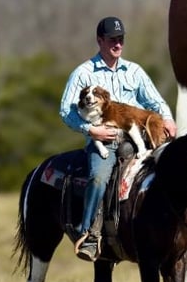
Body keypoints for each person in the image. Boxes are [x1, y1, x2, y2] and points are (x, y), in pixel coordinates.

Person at [59, 16, 177, 261]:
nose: (117, 43)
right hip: (106, 139)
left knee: (174, 166)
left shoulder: (134, 71)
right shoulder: (83, 73)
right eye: (112, 39)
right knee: (100, 177)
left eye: (120, 38)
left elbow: (154, 100)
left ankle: (175, 223)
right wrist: (91, 131)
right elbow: (65, 110)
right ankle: (89, 234)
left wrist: (167, 118)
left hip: (139, 136)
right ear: (100, 40)